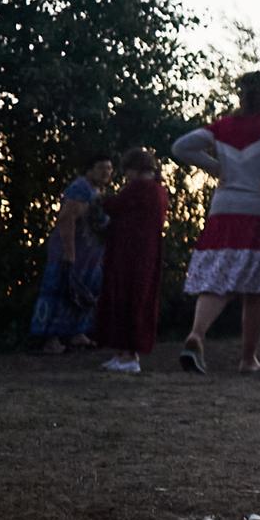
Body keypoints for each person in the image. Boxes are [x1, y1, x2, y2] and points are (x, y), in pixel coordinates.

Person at [171, 72, 260, 375]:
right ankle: (248, 359)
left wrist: (215, 167)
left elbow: (181, 147)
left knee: (219, 274)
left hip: (225, 209)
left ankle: (197, 333)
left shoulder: (223, 126)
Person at [29, 154, 112, 354]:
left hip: (90, 256)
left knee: (84, 294)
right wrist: (69, 252)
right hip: (70, 253)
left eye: (109, 169)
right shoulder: (80, 189)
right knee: (59, 291)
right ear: (90, 170)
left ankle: (77, 334)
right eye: (101, 168)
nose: (106, 173)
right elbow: (67, 219)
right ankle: (50, 339)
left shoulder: (99, 191)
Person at [95, 148, 167, 373]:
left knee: (126, 300)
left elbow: (112, 206)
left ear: (134, 169)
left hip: (130, 253)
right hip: (148, 252)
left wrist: (100, 197)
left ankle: (128, 355)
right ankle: (124, 353)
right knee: (138, 299)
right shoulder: (159, 191)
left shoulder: (139, 188)